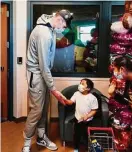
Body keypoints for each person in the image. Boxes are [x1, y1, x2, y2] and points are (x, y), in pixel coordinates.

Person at [22, 10, 73, 152]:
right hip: (37, 75)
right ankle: (26, 143)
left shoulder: (50, 28)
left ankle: (41, 136)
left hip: (44, 74)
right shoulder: (44, 33)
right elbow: (43, 65)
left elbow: (60, 36)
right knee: (37, 110)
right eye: (64, 26)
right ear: (60, 20)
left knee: (44, 108)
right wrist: (53, 89)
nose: (63, 30)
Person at [64, 78, 98, 152]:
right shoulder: (76, 94)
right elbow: (70, 102)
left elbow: (94, 110)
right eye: (80, 83)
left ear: (88, 88)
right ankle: (76, 148)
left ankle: (92, 147)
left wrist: (88, 116)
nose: (80, 85)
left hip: (88, 120)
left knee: (89, 135)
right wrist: (64, 100)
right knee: (77, 135)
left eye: (82, 84)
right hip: (78, 119)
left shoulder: (92, 98)